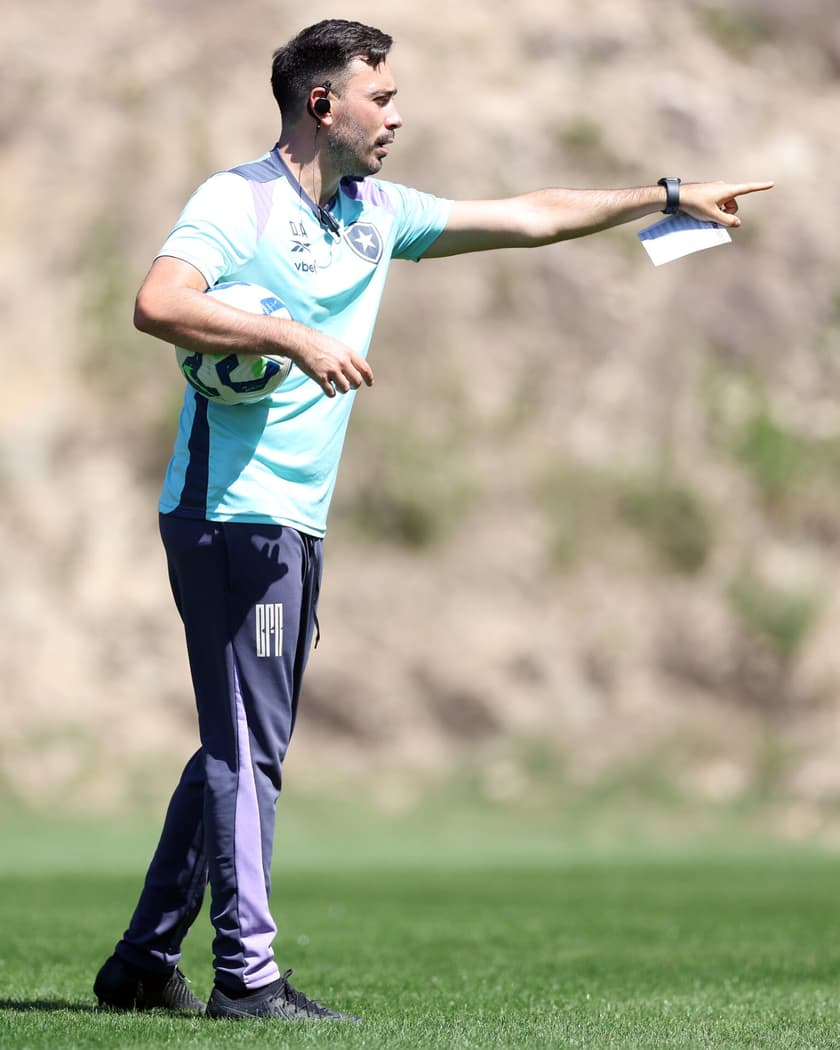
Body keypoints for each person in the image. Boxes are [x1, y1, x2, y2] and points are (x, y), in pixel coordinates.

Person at [93, 18, 773, 1023]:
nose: (398, 114)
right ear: (325, 105)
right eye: (384, 96)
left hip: (291, 527)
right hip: (228, 519)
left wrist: (666, 198)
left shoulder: (375, 214)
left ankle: (144, 964)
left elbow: (532, 216)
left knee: (237, 740)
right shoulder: (235, 203)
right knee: (249, 751)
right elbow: (158, 302)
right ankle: (247, 976)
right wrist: (287, 334)